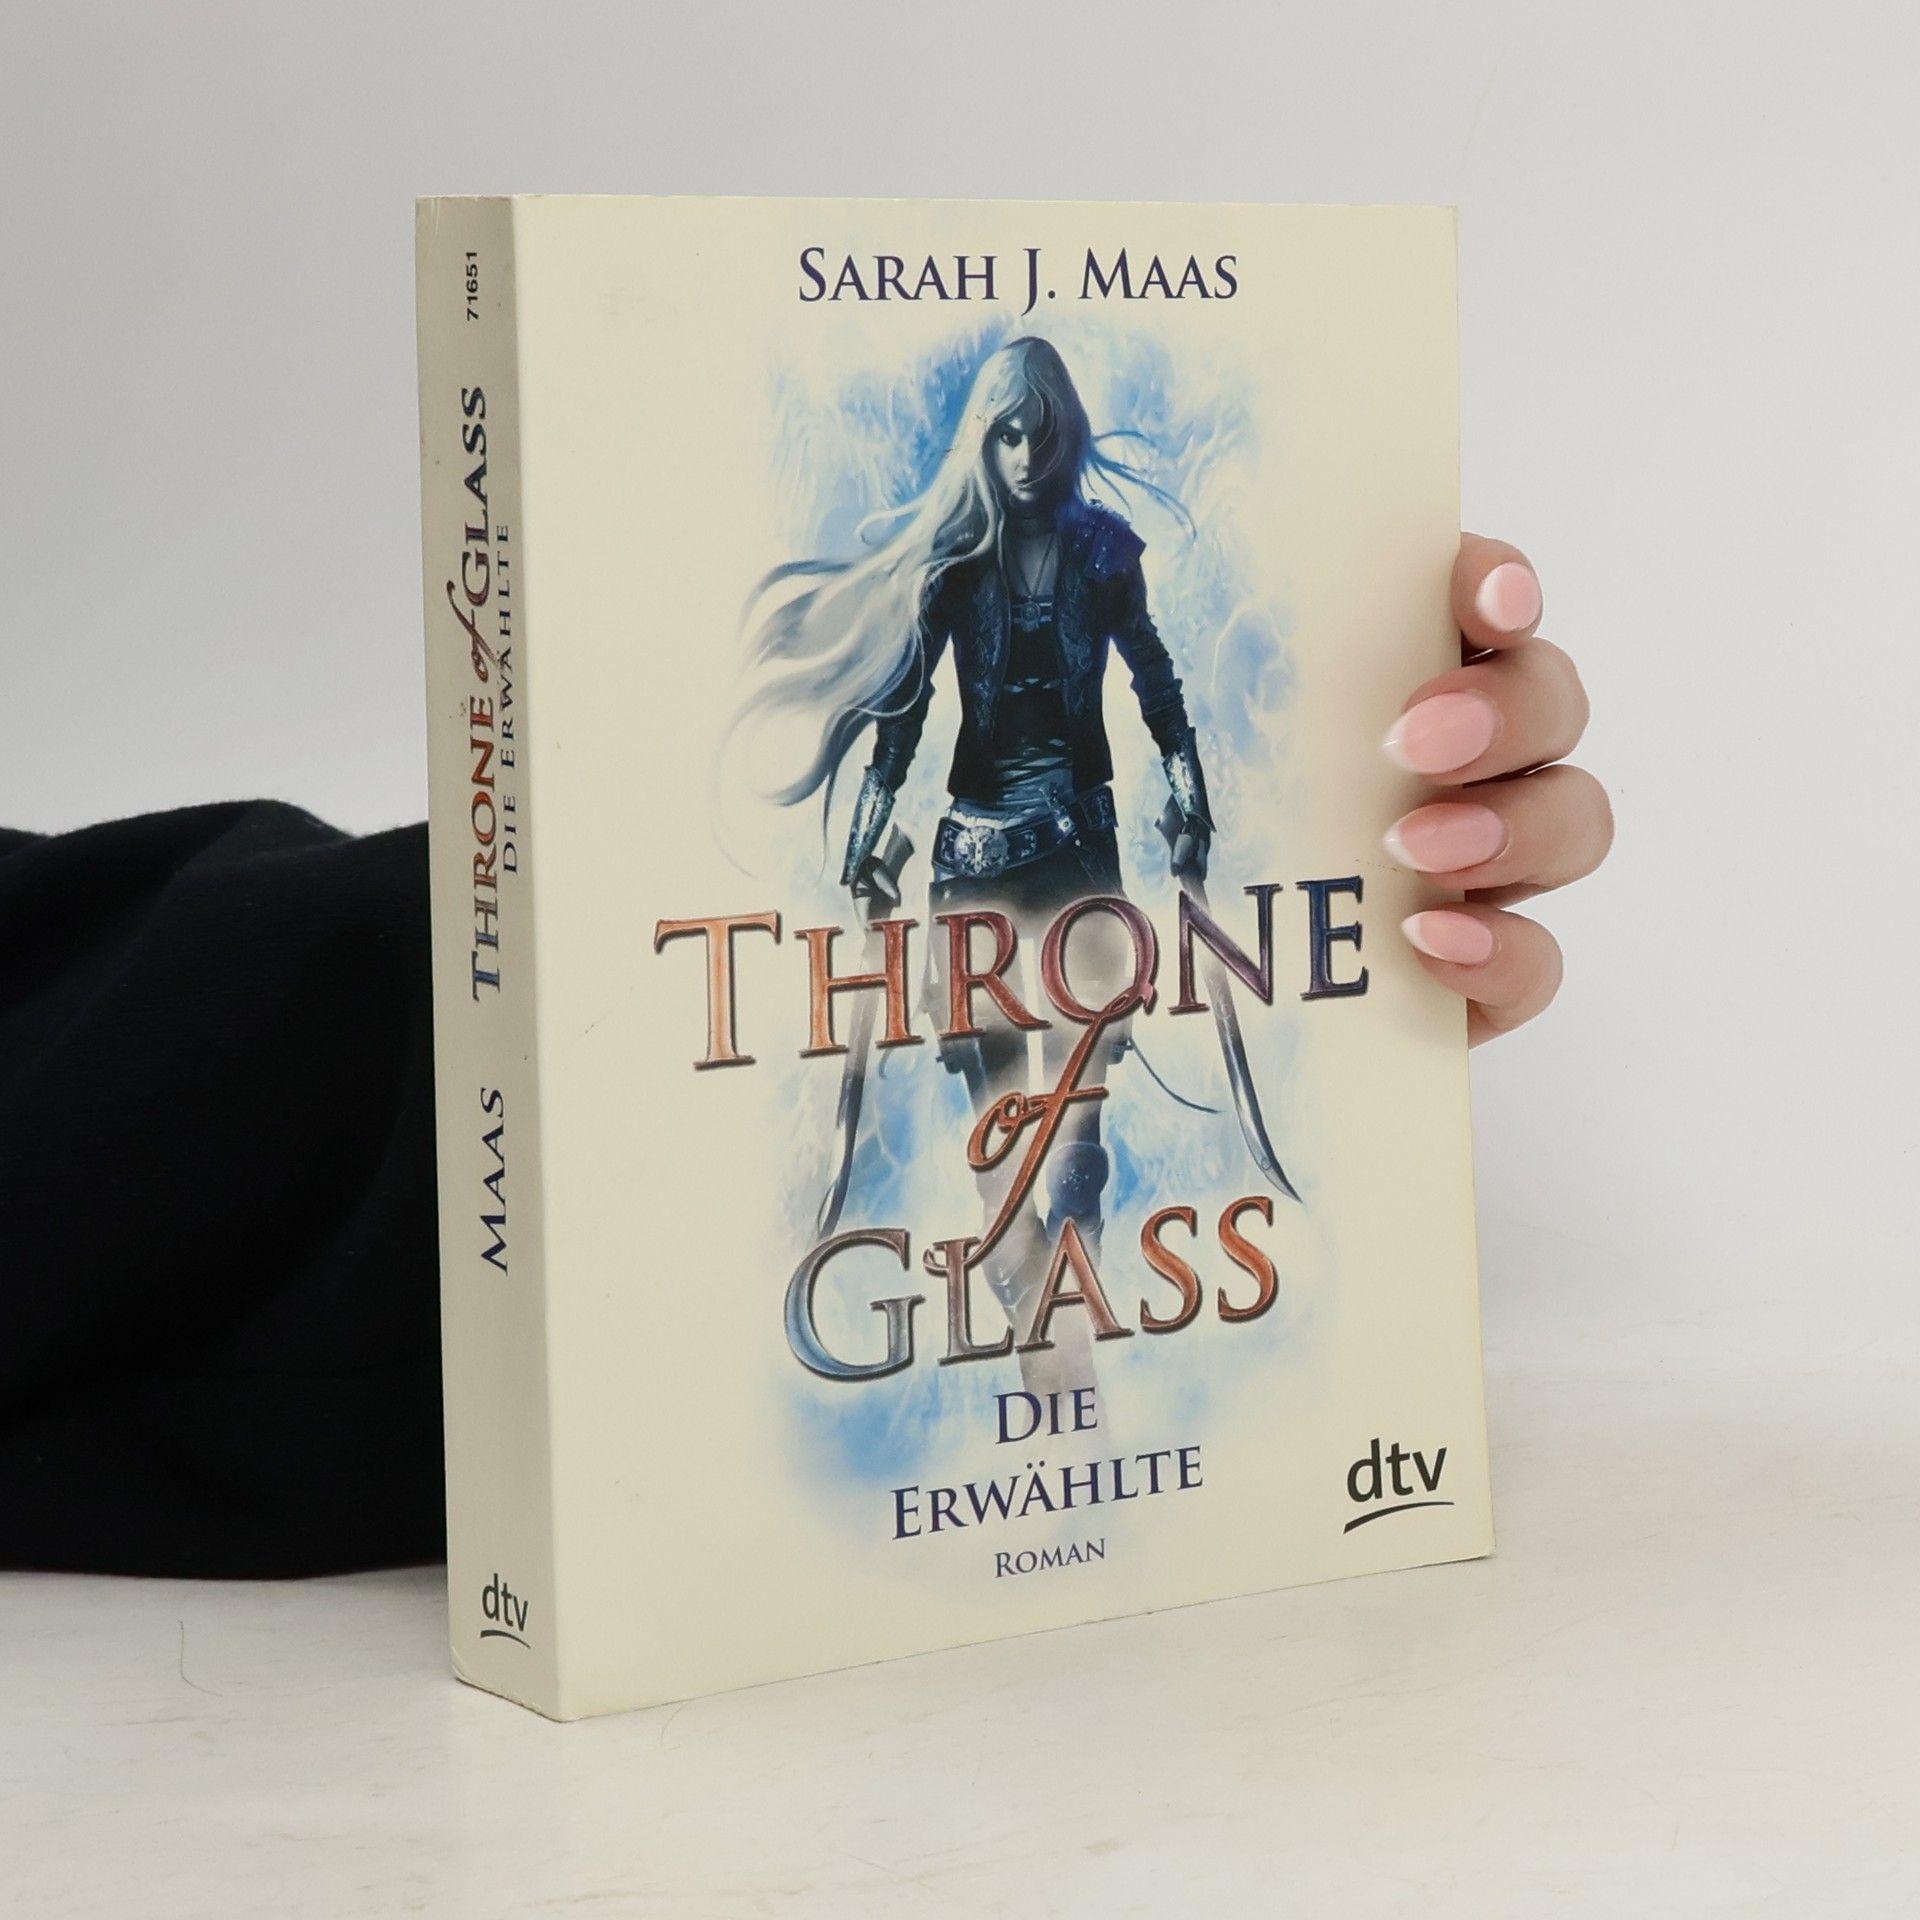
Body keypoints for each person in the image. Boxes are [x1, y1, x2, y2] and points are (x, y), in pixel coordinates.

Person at [0, 465, 1611, 1581]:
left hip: (1082, 849)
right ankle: (1037, 1372)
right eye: (1003, 433)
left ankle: (1065, 1388)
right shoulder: (961, 573)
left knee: (1078, 1129)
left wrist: (568, 997)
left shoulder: (1109, 554)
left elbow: (1159, 687)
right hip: (973, 845)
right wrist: (828, 864)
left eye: (1041, 433)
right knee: (999, 1124)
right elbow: (907, 711)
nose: (1023, 457)